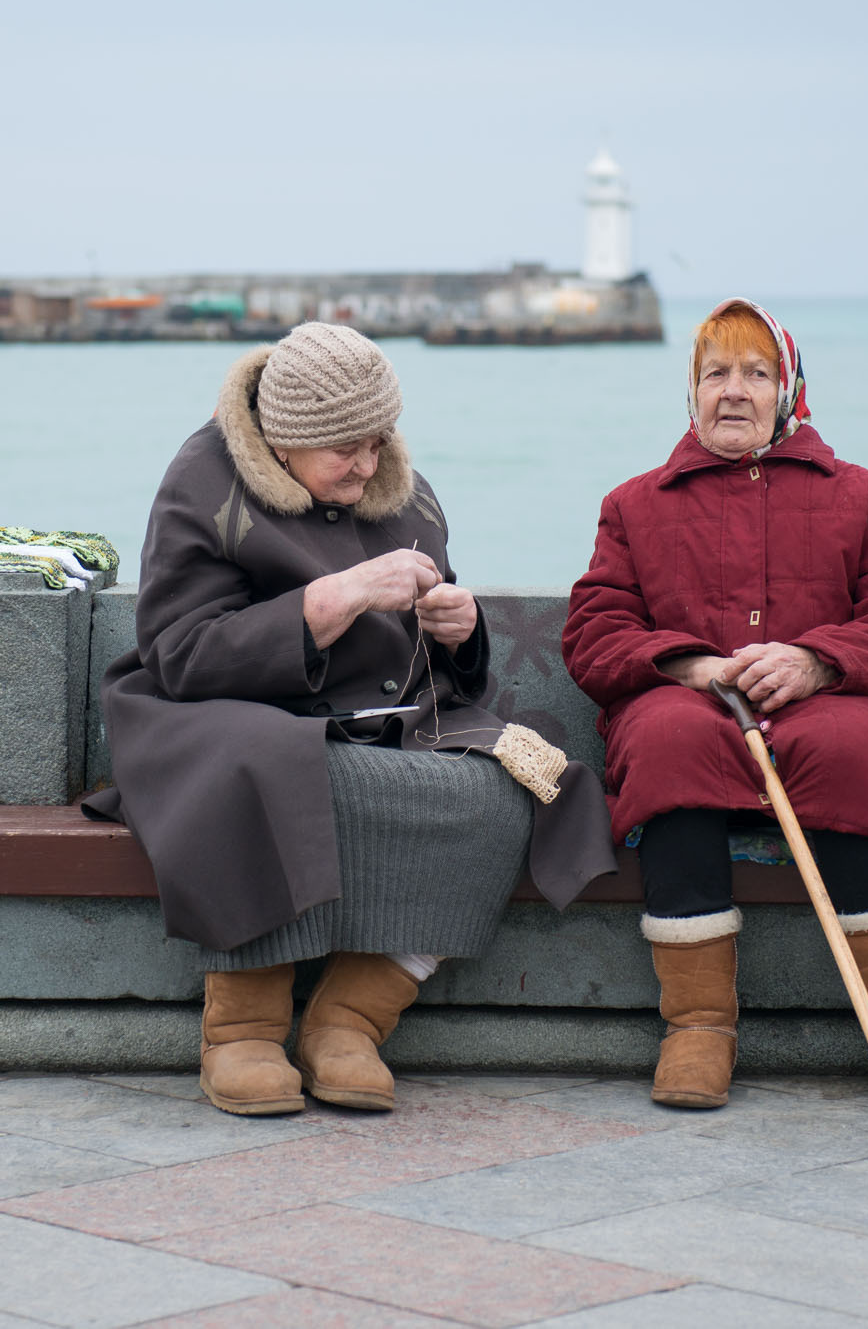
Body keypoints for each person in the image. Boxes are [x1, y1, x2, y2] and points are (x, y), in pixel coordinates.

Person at [87, 322, 616, 1117]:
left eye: (378, 441)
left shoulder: (402, 487)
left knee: (506, 790)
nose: (368, 466)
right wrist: (336, 598)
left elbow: (440, 662)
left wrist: (461, 632)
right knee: (269, 769)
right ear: (285, 440)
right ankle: (242, 1029)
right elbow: (181, 654)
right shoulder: (204, 482)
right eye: (346, 449)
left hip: (380, 721)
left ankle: (350, 1020)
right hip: (226, 714)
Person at [561, 298, 868, 1111]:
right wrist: (690, 666)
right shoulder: (633, 506)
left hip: (835, 702)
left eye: (755, 373)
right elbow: (596, 633)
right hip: (691, 709)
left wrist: (818, 661)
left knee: (845, 750)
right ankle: (698, 1027)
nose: (734, 391)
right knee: (669, 742)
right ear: (692, 392)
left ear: (789, 390)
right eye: (716, 374)